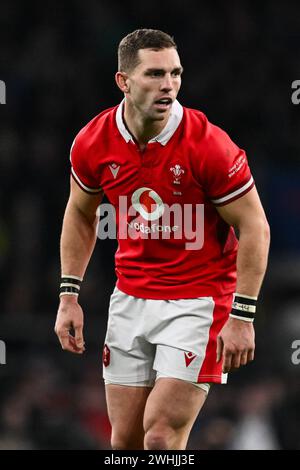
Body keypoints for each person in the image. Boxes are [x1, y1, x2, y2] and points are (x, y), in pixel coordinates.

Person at [54, 28, 270, 450]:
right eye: (154, 74)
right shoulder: (93, 142)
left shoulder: (209, 145)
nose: (168, 84)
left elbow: (255, 227)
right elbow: (80, 212)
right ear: (124, 81)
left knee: (160, 438)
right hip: (130, 297)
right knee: (126, 445)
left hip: (198, 302)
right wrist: (68, 295)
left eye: (175, 73)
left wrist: (243, 316)